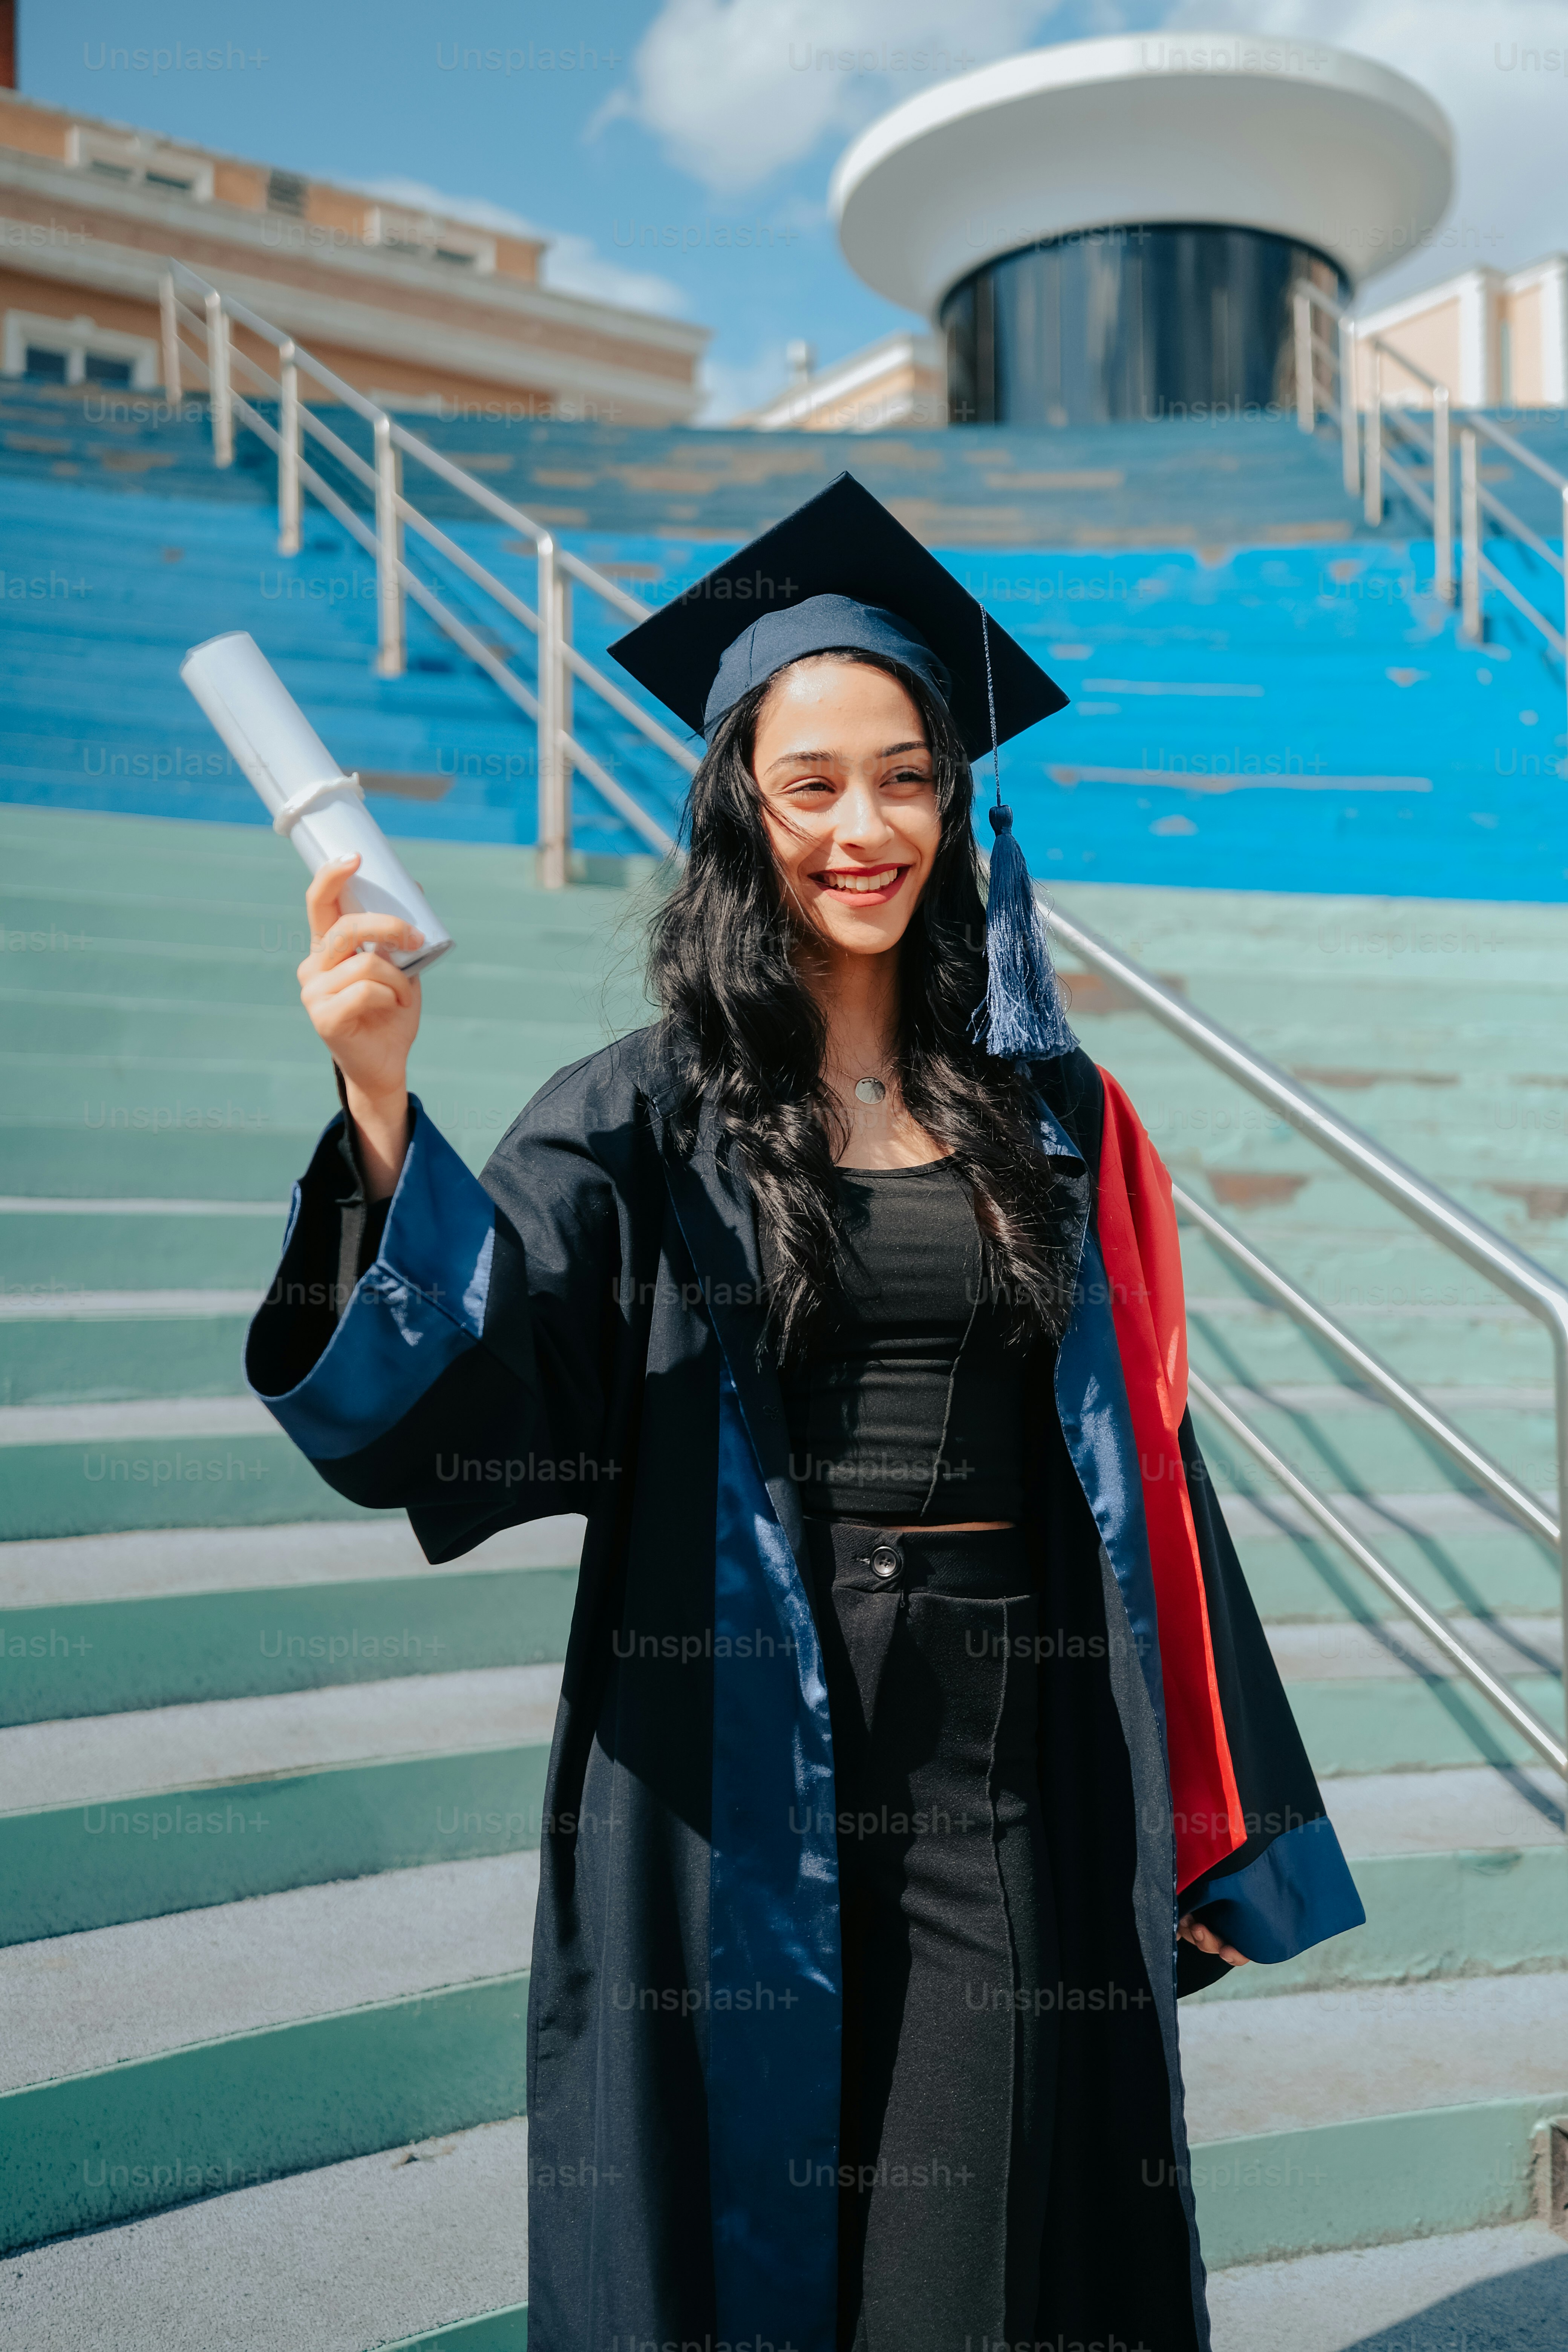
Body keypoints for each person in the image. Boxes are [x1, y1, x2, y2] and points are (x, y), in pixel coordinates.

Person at [247, 476, 1363, 2352]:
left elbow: (1140, 1473)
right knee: (744, 2245)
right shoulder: (641, 1110)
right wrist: (375, 1111)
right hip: (732, 1732)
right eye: (812, 783)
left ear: (956, 794)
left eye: (905, 775)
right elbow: (478, 1392)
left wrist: (1201, 1802)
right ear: (738, 813)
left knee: (973, 2267)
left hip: (994, 1755)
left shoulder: (1057, 1112)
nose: (865, 826)